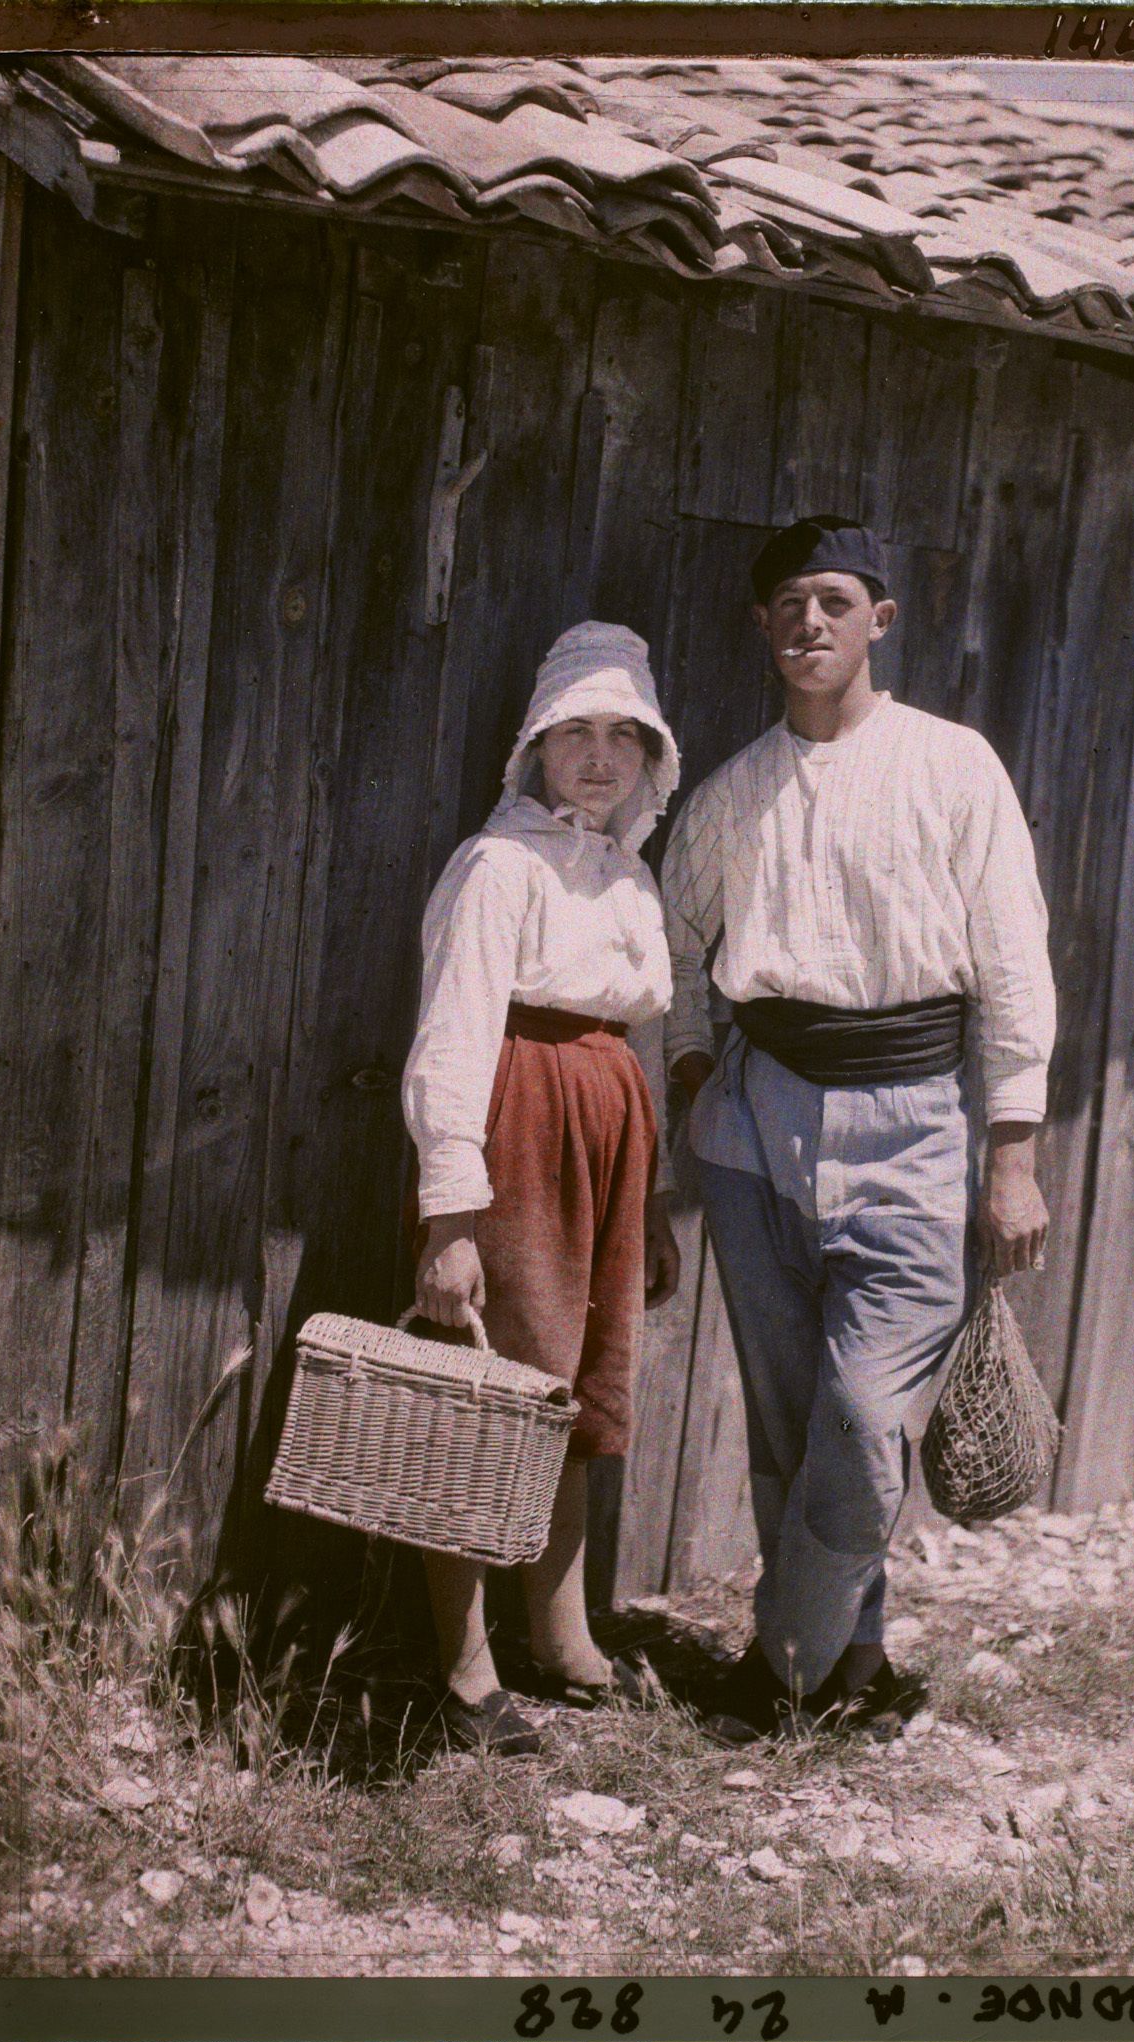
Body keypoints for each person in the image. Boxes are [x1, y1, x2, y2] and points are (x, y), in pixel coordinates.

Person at [661, 516, 1056, 1743]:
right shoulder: (730, 793)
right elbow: (676, 949)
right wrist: (691, 1081)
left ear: (877, 619)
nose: (808, 622)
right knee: (790, 1415)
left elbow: (1010, 963)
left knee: (858, 1413)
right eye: (786, 603)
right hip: (754, 1123)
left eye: (832, 600)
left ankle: (779, 1664)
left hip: (912, 1124)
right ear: (762, 626)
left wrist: (1011, 1151)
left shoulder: (949, 768)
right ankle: (858, 1663)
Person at [402, 621, 682, 1756]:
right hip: (518, 1120)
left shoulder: (628, 876)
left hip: (607, 1131)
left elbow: (639, 1038)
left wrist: (650, 1194)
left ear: (653, 757)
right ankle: (463, 1666)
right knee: (491, 1392)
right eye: (577, 730)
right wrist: (449, 1216)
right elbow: (454, 1037)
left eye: (624, 734)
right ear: (535, 744)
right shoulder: (497, 865)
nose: (599, 755)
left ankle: (559, 1634)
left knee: (573, 1392)